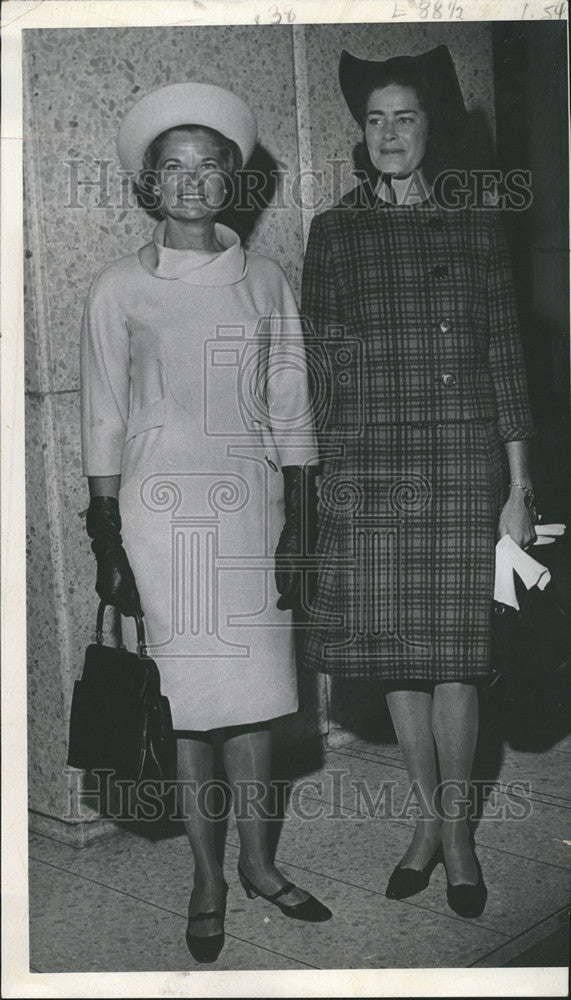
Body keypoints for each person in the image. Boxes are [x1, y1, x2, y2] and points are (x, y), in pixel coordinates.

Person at [80, 81, 331, 964]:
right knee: (187, 708)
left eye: (207, 166)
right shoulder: (117, 289)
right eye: (172, 168)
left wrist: (300, 521)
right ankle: (206, 876)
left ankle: (260, 866)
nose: (190, 182)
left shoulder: (267, 280)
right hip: (159, 521)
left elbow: (292, 399)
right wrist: (106, 536)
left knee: (255, 705)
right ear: (151, 184)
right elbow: (104, 413)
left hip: (250, 514)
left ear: (231, 180)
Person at [302, 46, 537, 919]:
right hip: (368, 467)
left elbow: (506, 355)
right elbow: (317, 368)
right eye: (374, 119)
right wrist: (318, 481)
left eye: (405, 117)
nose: (389, 133)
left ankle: (459, 835)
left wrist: (518, 487)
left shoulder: (476, 224)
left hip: (455, 461)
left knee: (457, 663)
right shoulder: (334, 230)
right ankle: (427, 826)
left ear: (431, 128)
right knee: (395, 654)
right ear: (360, 134)